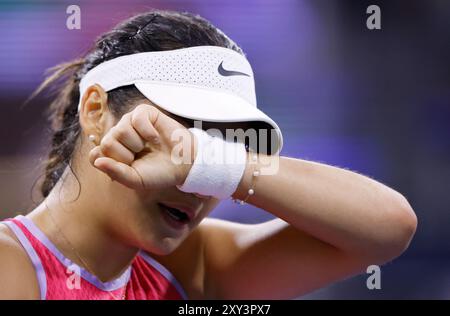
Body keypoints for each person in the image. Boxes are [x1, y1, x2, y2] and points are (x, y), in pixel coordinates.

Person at [0, 10, 417, 300]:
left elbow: (389, 227)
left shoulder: (192, 268)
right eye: (182, 132)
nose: (191, 178)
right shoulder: (10, 264)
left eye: (226, 145)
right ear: (95, 111)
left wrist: (216, 165)